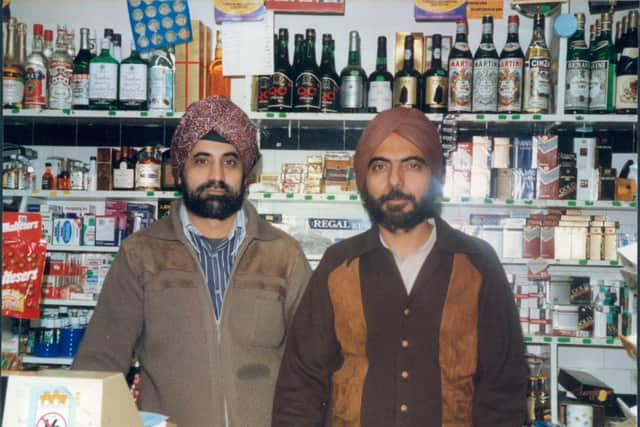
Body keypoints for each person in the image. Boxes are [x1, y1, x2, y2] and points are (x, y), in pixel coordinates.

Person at [271, 107, 528, 427]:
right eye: (380, 166)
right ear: (364, 180)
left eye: (412, 164)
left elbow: (505, 395)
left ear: (436, 175)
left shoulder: (477, 265)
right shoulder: (338, 266)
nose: (396, 181)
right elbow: (300, 388)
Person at [73, 96, 312, 427]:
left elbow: (313, 365)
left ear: (246, 174)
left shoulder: (283, 254)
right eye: (202, 161)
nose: (216, 176)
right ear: (180, 170)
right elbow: (99, 362)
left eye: (230, 162)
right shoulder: (142, 254)